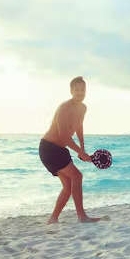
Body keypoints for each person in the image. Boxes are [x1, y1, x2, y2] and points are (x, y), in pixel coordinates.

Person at [39, 76, 101, 224]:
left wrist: (83, 148)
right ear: (71, 91)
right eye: (77, 89)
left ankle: (53, 219)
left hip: (60, 149)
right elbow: (63, 136)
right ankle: (81, 216)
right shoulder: (64, 108)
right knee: (77, 176)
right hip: (49, 148)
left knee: (68, 186)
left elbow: (79, 126)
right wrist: (80, 152)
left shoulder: (83, 108)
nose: (80, 92)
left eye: (83, 89)